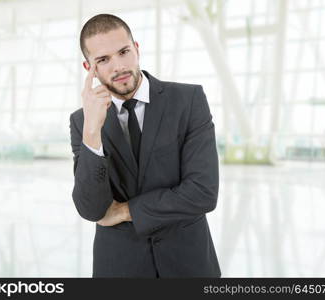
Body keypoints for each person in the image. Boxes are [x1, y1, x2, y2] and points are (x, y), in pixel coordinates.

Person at [69, 13, 221, 278]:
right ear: (88, 68)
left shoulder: (188, 100)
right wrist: (92, 131)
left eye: (124, 52)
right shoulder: (82, 121)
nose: (118, 66)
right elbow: (91, 209)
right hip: (119, 269)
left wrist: (127, 211)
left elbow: (203, 192)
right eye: (103, 60)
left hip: (189, 266)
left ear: (136, 49)